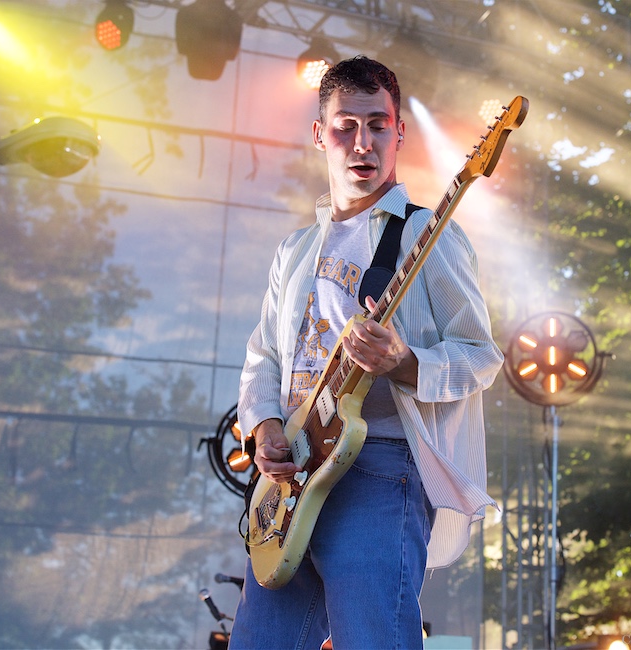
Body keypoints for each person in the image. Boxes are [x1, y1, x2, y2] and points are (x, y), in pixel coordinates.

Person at [228, 56, 503, 650]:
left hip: (380, 469)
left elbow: (482, 355)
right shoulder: (295, 250)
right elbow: (263, 355)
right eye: (345, 127)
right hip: (294, 475)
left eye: (378, 125)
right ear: (319, 135)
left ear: (400, 132)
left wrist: (403, 362)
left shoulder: (429, 233)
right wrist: (264, 425)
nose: (363, 143)